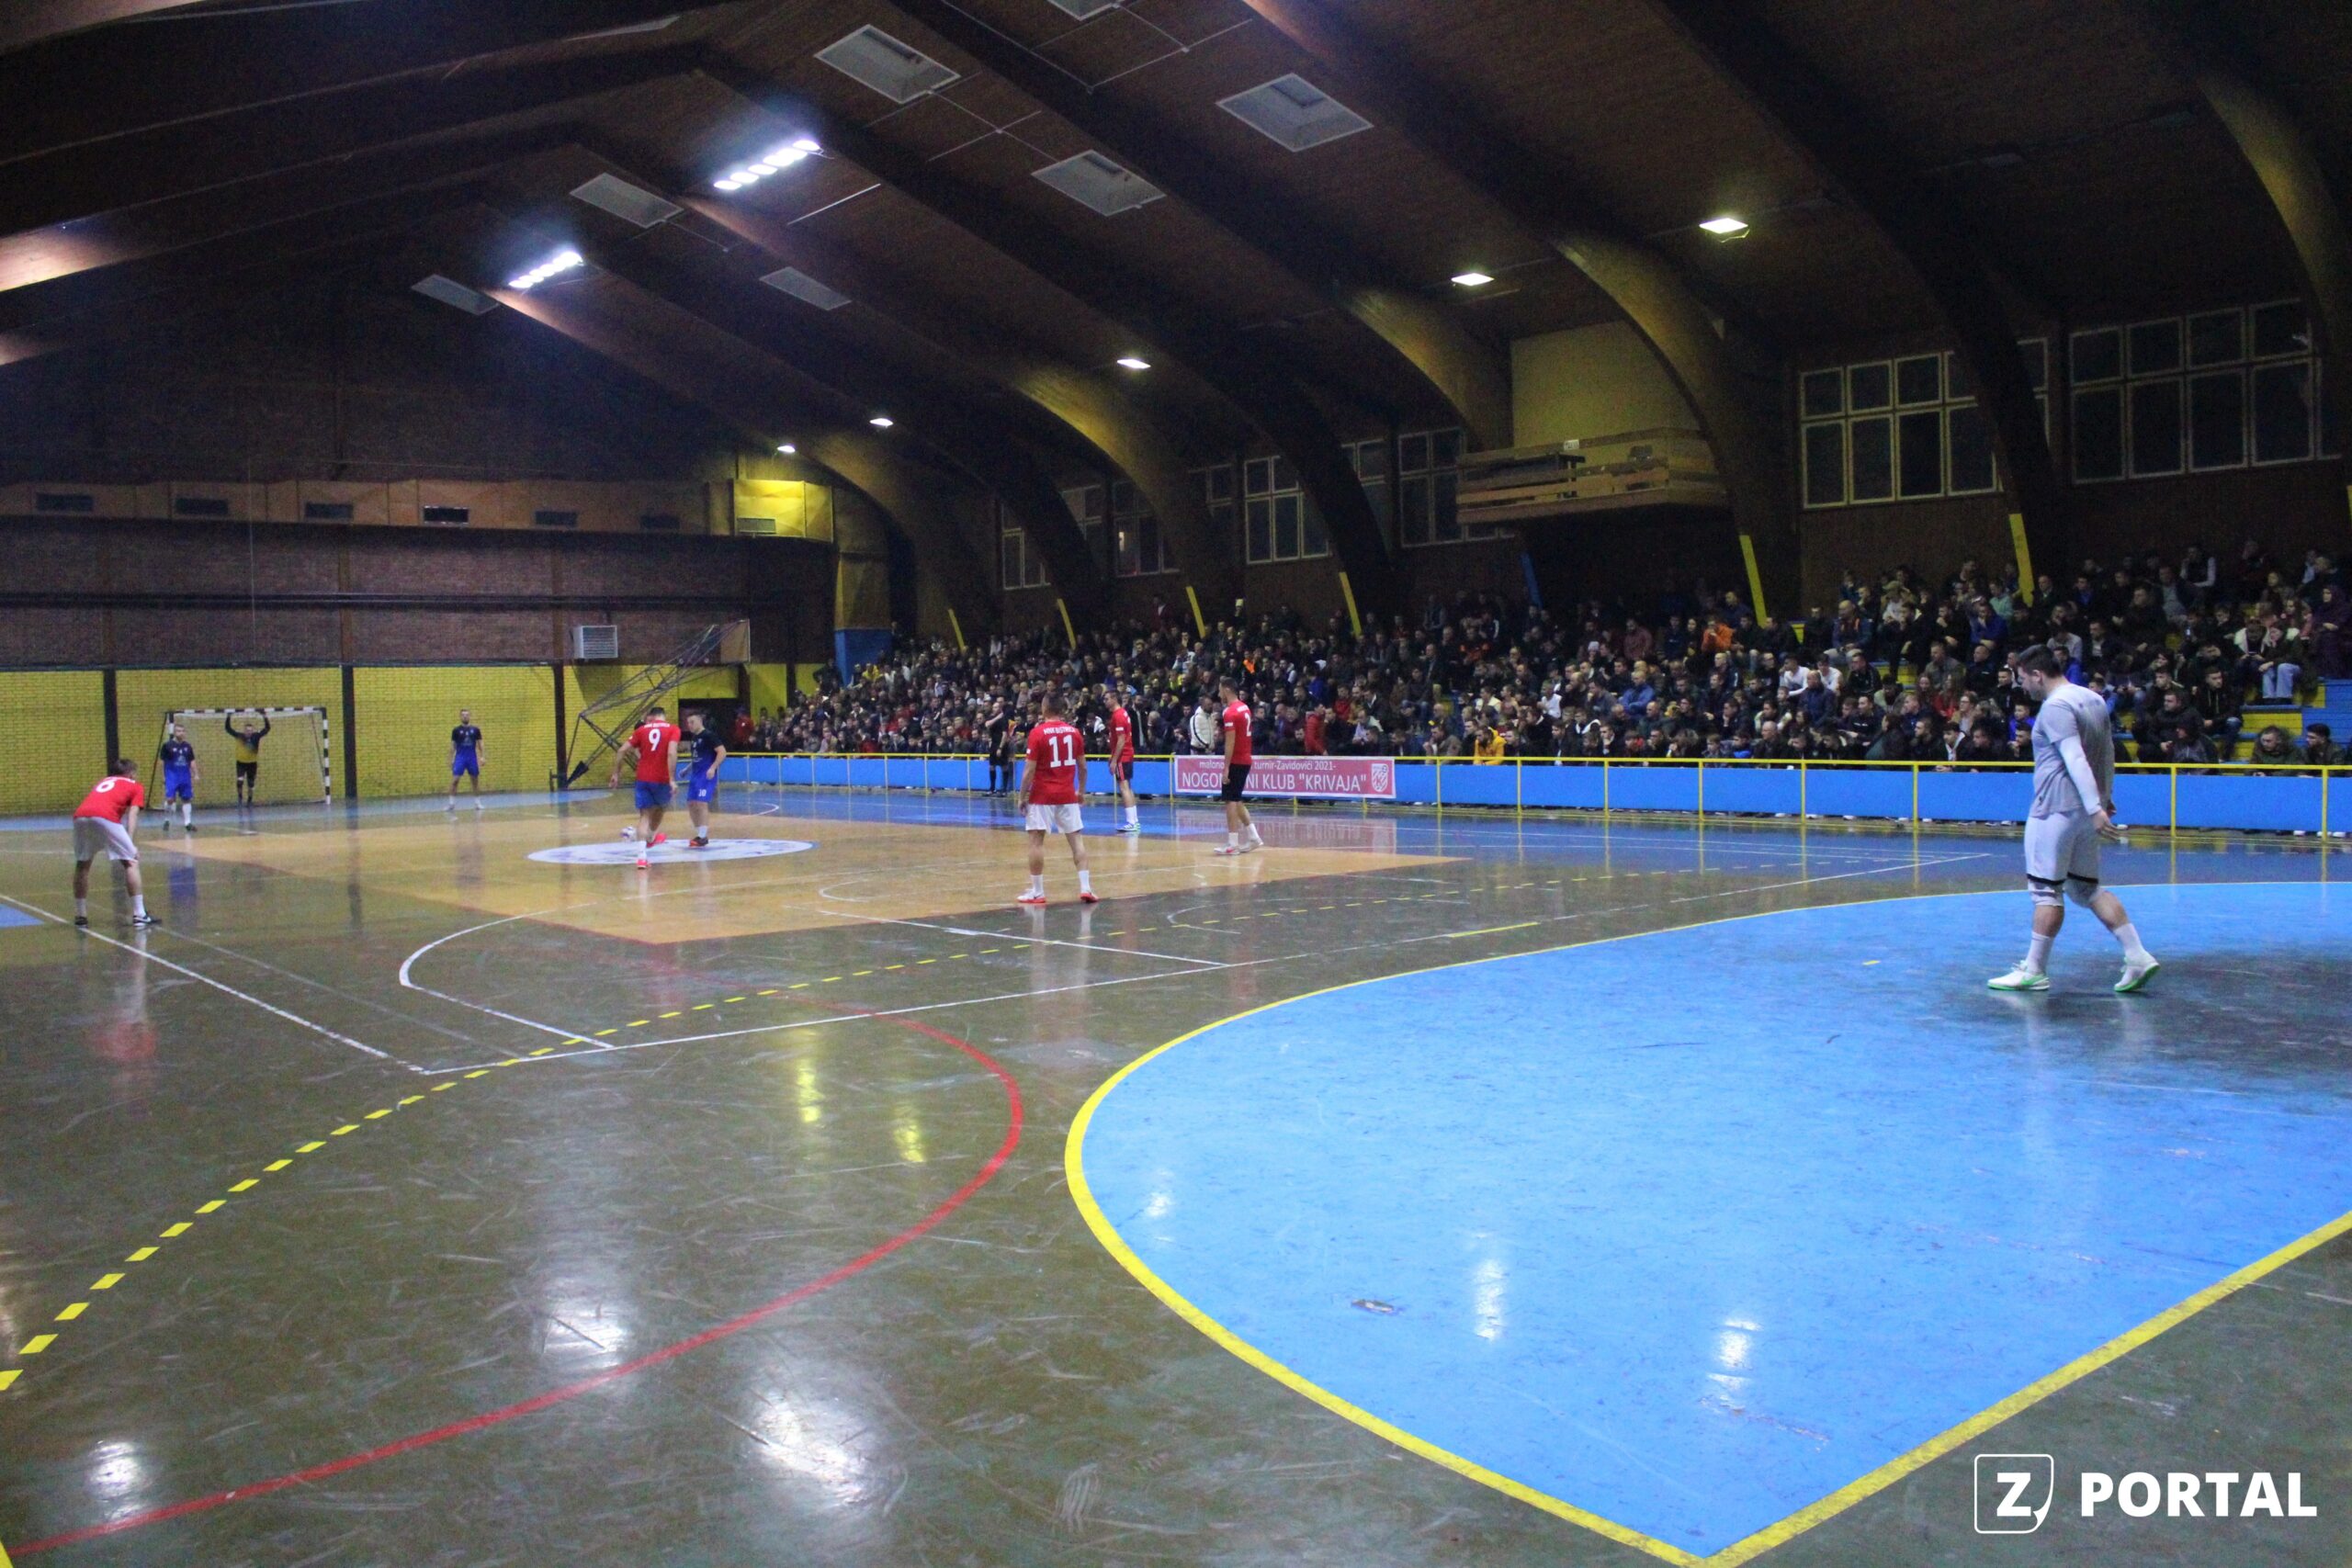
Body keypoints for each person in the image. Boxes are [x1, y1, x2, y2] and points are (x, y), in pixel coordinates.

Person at [1989, 647, 2158, 994]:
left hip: (2055, 809)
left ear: (2038, 675)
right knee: (2086, 888)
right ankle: (2137, 955)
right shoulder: (2092, 699)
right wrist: (2102, 799)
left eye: (2023, 679)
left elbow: (2075, 756)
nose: (2023, 686)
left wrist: (2097, 806)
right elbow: (2106, 752)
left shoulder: (2055, 707)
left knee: (2045, 891)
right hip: (2084, 811)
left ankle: (2034, 970)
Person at [1015, 690, 1094, 906]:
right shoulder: (1074, 733)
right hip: (1067, 794)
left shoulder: (1037, 733)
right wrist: (1081, 791)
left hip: (1042, 796)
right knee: (1076, 840)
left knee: (1036, 842)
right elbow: (1083, 767)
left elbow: (1029, 771)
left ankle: (1037, 892)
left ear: (1044, 709)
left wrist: (1022, 796)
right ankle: (1086, 888)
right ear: (1062, 709)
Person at [73, 759, 156, 929]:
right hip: (104, 816)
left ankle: (80, 915)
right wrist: (130, 843)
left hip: (80, 816)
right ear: (131, 773)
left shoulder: (104, 781)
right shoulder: (135, 786)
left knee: (82, 865)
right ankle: (140, 914)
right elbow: (133, 814)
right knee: (131, 862)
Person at [609, 705, 681, 870]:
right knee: (662, 808)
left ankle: (642, 858)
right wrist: (672, 779)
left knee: (645, 816)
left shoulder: (642, 730)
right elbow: (671, 753)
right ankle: (651, 837)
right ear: (663, 716)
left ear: (651, 717)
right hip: (662, 778)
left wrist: (616, 774)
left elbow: (621, 751)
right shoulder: (673, 729)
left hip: (643, 778)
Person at [1213, 676, 1263, 857]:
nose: (1219, 693)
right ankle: (1254, 837)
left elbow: (1230, 742)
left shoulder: (1230, 712)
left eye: (1220, 689)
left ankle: (1232, 844)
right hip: (1246, 758)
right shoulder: (1244, 707)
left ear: (1226, 690)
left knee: (1230, 801)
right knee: (1237, 798)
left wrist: (1226, 767)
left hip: (1237, 760)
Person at [683, 710, 726, 849]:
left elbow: (722, 752)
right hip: (695, 775)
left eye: (692, 722)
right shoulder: (694, 738)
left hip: (706, 776)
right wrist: (687, 769)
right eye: (688, 723)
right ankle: (699, 834)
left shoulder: (709, 735)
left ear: (700, 721)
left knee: (701, 803)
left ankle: (703, 836)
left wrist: (713, 768)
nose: (689, 725)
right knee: (691, 803)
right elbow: (696, 758)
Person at [1103, 680, 1140, 834]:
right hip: (1127, 754)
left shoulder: (1118, 716)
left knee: (1123, 787)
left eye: (1107, 699)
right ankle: (1134, 820)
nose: (1105, 702)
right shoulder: (1123, 713)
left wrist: (1114, 760)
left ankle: (1131, 822)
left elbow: (1121, 739)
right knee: (1128, 787)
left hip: (1122, 756)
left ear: (1114, 699)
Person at [157, 722, 198, 834]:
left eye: (183, 731)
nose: (181, 733)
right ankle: (167, 819)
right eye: (179, 731)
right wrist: (163, 776)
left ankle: (188, 823)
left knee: (187, 799)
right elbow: (162, 762)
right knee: (170, 799)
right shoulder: (167, 745)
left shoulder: (187, 746)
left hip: (185, 776)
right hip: (172, 776)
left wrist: (196, 773)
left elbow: (192, 761)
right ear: (174, 733)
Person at [226, 711, 269, 805]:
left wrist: (264, 716)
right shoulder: (239, 736)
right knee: (240, 781)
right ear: (244, 731)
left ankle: (250, 798)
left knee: (251, 784)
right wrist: (228, 716)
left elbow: (267, 729)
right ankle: (240, 796)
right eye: (247, 730)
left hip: (252, 764)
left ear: (252, 731)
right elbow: (228, 729)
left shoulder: (256, 736)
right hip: (241, 763)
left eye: (250, 730)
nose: (249, 732)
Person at [447, 708, 485, 811]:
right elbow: (453, 746)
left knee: (475, 781)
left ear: (469, 716)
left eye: (467, 715)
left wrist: (482, 756)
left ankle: (478, 803)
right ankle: (451, 804)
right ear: (460, 717)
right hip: (460, 758)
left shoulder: (475, 730)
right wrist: (451, 759)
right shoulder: (456, 730)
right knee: (455, 781)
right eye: (463, 715)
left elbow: (480, 744)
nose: (465, 716)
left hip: (472, 758)